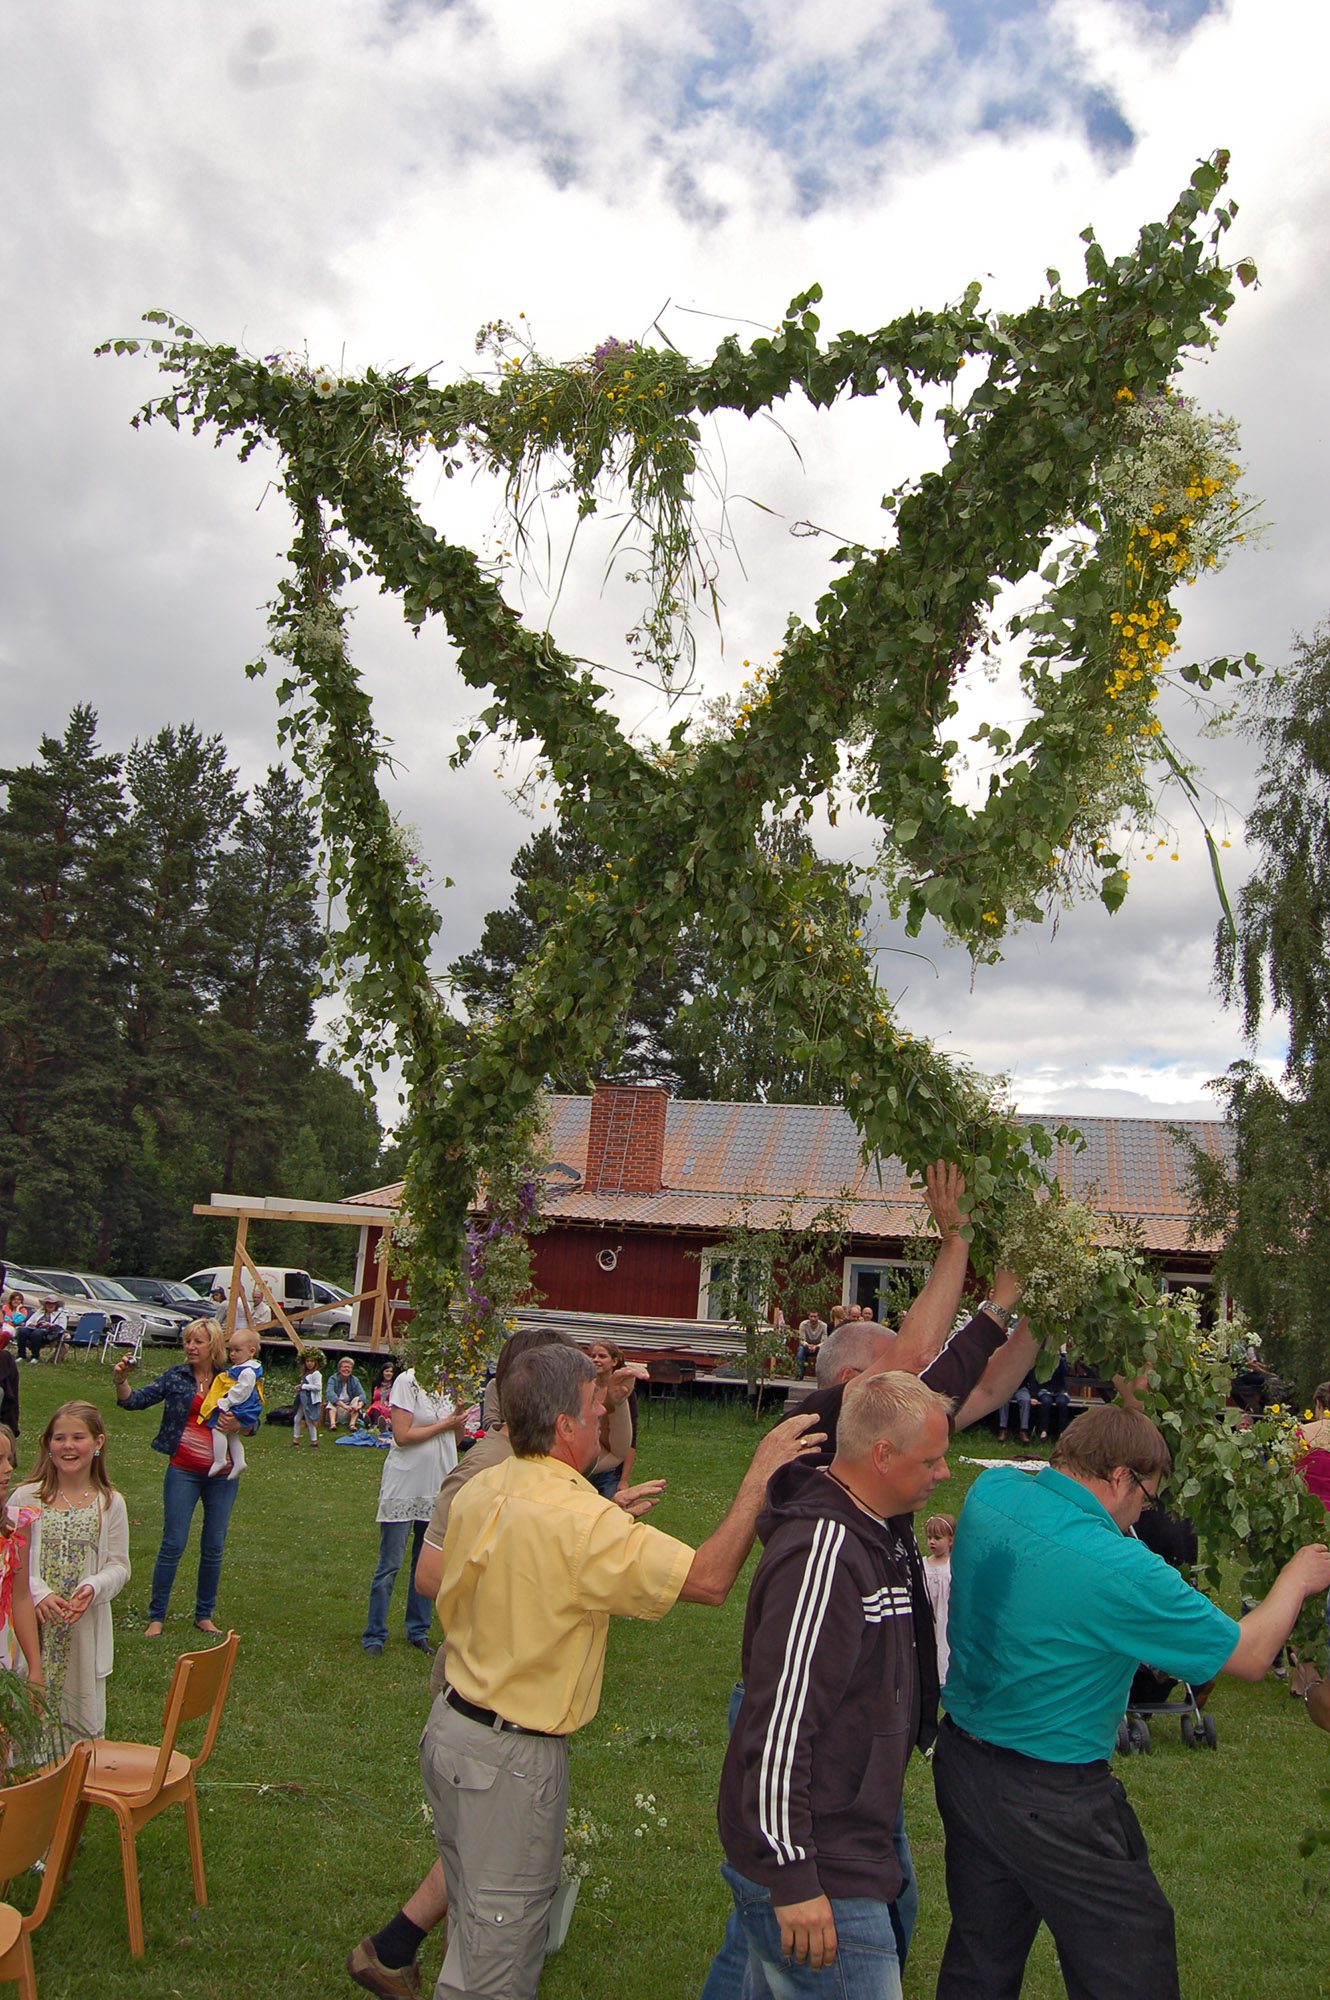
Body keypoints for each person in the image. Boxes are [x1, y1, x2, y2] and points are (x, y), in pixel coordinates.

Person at [408, 1344, 819, 2000]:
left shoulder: (490, 1482)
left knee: (473, 1924)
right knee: (496, 1967)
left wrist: (603, 1524)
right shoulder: (580, 1522)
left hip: (452, 1731)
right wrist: (759, 1474)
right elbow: (710, 1579)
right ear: (565, 1425)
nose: (603, 1410)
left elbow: (531, 1560)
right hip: (509, 1762)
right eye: (594, 1403)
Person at [934, 1403, 1330, 2000]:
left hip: (963, 1760)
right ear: (1120, 1476)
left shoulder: (992, 1492)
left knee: (981, 1953)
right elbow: (1250, 1655)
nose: (1145, 1511)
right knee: (1130, 1957)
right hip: (1052, 1792)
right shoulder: (1119, 1567)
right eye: (1147, 1496)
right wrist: (1296, 1578)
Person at [713, 1370, 952, 1996]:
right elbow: (779, 1725)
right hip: (819, 1865)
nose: (945, 1472)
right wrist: (792, 1876)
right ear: (883, 1455)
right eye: (931, 1460)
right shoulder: (825, 1553)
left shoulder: (877, 1533)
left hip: (842, 1847)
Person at [112, 1318, 240, 1637]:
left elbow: (253, 1422)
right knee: (173, 1542)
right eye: (187, 1341)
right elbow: (134, 1401)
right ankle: (157, 1616)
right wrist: (120, 1381)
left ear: (213, 1345)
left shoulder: (231, 1379)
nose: (190, 1347)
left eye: (198, 1342)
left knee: (213, 1545)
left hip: (222, 1475)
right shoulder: (176, 1376)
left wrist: (240, 1425)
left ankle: (204, 1615)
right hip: (183, 1470)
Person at [13, 1400, 130, 1737]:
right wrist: (37, 1592)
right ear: (48, 1444)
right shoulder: (25, 1499)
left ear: (98, 1442)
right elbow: (9, 1563)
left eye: (78, 1437)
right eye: (59, 1438)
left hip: (82, 1629)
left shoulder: (110, 1503)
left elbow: (119, 1565)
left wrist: (94, 1585)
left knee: (76, 1721)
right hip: (31, 1626)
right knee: (25, 1713)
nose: (68, 1446)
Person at [361, 1362, 468, 1658]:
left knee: (426, 1562)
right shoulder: (406, 1382)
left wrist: (458, 1420)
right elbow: (402, 1435)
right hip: (406, 1481)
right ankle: (374, 1633)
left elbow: (454, 1440)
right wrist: (444, 1424)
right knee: (391, 1561)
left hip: (437, 1481)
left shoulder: (449, 1385)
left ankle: (418, 1629)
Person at [0, 1423, 42, 1683]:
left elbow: (21, 1596)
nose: (8, 1468)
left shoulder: (16, 1526)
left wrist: (35, 1668)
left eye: (9, 1459)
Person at [201, 1325, 265, 1477]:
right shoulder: (244, 1367)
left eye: (237, 1350)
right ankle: (239, 1461)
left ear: (251, 1351)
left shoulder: (247, 1371)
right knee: (232, 1434)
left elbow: (241, 1391)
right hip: (241, 1406)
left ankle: (220, 1460)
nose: (232, 1354)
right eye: (230, 1350)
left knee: (218, 1429)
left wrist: (226, 1402)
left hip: (240, 1406)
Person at [923, 1510, 955, 1682]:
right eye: (929, 1537)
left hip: (945, 1616)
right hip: (928, 1616)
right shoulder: (923, 1565)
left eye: (937, 1538)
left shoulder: (952, 1567)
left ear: (950, 1541)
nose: (932, 1542)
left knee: (943, 1645)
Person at [1036, 1348, 1071, 1441]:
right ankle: (1043, 1430)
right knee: (1046, 1402)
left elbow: (1065, 1371)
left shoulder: (1062, 1361)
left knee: (1062, 1403)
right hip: (1046, 1390)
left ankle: (1062, 1431)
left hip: (1060, 1391)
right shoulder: (1044, 1360)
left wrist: (1059, 1359)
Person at [325, 1354, 368, 1430]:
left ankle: (352, 1425)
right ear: (339, 1369)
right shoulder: (333, 1379)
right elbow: (330, 1393)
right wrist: (344, 1406)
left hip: (349, 1410)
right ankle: (333, 1424)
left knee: (357, 1399)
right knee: (331, 1401)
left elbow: (362, 1394)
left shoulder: (354, 1380)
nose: (346, 1369)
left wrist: (359, 1406)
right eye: (345, 1367)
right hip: (336, 1409)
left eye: (349, 1367)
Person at [16, 1296, 63, 1364]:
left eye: (52, 1304)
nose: (50, 1305)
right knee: (22, 1331)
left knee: (37, 1333)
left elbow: (62, 1327)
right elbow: (28, 1322)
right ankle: (21, 1356)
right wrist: (36, 1323)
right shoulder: (39, 1312)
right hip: (35, 1329)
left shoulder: (60, 1315)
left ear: (56, 1305)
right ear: (45, 1305)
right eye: (48, 1303)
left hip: (49, 1334)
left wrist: (49, 1324)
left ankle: (35, 1357)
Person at [996, 1369, 1035, 1444]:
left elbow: (1032, 1380)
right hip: (1007, 1388)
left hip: (1021, 1388)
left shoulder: (1026, 1364)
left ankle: (1023, 1430)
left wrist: (1034, 1396)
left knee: (1025, 1400)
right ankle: (1003, 1429)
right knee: (1003, 1400)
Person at [294, 1353, 324, 1446]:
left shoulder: (316, 1374)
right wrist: (299, 1387)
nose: (309, 1363)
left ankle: (314, 1441)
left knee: (309, 1420)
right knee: (297, 1418)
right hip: (302, 1398)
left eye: (312, 1361)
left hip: (310, 1399)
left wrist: (304, 1386)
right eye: (307, 1361)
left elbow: (318, 1387)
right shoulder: (306, 1374)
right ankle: (295, 1439)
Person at [364, 1361, 395, 1433]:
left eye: (391, 1372)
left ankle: (378, 1425)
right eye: (387, 1371)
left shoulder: (395, 1384)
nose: (389, 1373)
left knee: (377, 1408)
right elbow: (373, 1399)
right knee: (375, 1408)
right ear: (382, 1372)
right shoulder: (376, 1383)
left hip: (389, 1407)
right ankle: (374, 1424)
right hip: (377, 1406)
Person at [795, 1310, 826, 1379]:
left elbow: (824, 1341)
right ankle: (798, 1374)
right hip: (806, 1346)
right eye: (811, 1316)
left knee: (824, 1352)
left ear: (818, 1317)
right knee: (800, 1350)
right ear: (808, 1317)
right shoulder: (803, 1324)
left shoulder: (824, 1326)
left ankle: (822, 1376)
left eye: (815, 1317)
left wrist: (816, 1346)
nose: (813, 1319)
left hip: (818, 1347)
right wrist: (807, 1345)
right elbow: (802, 1339)